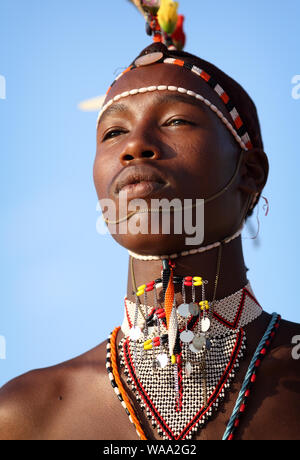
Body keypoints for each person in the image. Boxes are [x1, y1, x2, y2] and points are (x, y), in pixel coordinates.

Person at [0, 3, 299, 441]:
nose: (136, 146)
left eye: (176, 120)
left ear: (250, 173)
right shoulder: (25, 414)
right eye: (113, 133)